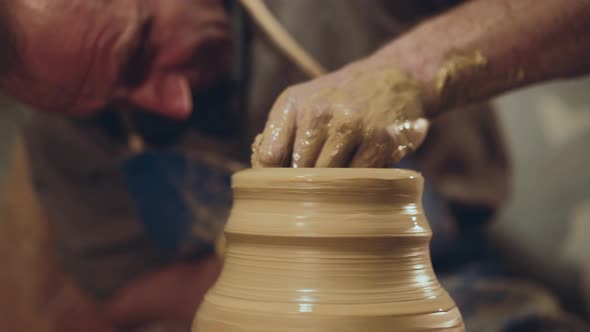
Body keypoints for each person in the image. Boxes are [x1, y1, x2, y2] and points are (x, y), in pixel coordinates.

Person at [0, 0, 589, 331]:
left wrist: (408, 71)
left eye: (139, 52)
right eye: (108, 107)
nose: (167, 104)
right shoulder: (62, 132)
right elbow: (127, 294)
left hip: (443, 283)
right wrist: (261, 260)